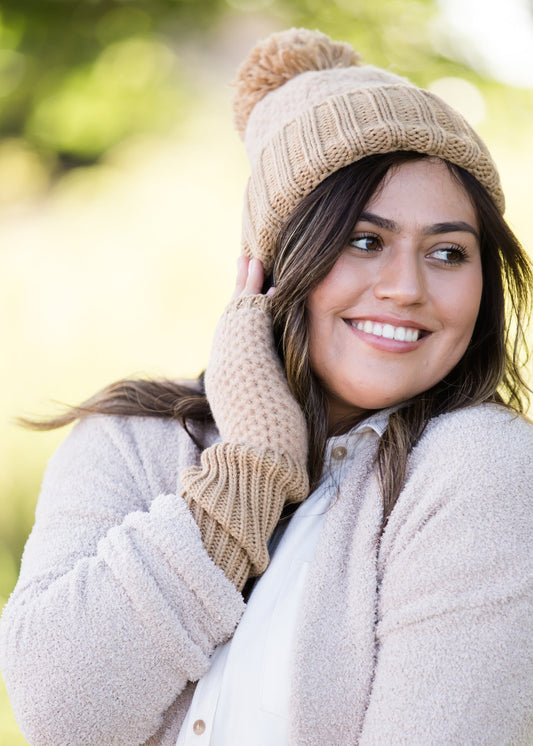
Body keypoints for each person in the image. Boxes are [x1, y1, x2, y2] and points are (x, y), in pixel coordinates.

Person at [1, 26, 532, 746]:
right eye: (364, 241)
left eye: (447, 252)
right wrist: (249, 470)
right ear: (273, 262)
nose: (407, 288)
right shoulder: (131, 440)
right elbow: (62, 716)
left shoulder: (478, 467)